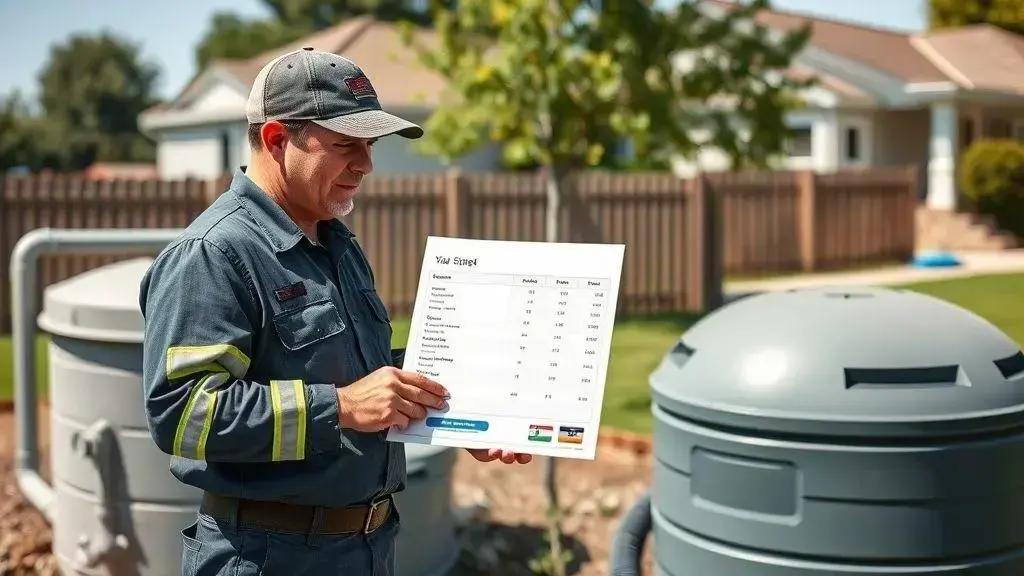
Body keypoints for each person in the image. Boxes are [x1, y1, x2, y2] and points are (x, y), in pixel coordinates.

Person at [139, 47, 532, 576]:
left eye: (369, 145)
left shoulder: (336, 244)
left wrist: (463, 413)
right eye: (346, 144)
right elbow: (183, 415)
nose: (366, 165)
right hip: (265, 557)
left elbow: (365, 378)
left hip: (366, 548)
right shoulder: (214, 253)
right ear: (277, 139)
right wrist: (340, 408)